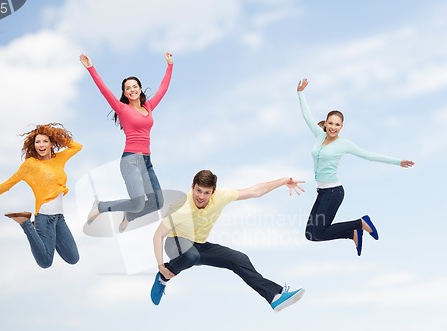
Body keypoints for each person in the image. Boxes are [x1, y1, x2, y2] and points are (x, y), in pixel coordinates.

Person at [151, 169, 306, 313]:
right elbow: (158, 236)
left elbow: (254, 191)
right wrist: (161, 266)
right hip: (175, 242)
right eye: (198, 190)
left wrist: (283, 181)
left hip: (199, 245)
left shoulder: (221, 196)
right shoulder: (180, 206)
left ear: (213, 192)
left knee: (239, 259)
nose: (201, 196)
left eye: (207, 193)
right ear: (193, 186)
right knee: (191, 256)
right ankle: (163, 278)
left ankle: (274, 296)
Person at [297, 78, 415, 255]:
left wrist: (397, 162)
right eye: (330, 123)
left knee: (317, 233)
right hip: (322, 193)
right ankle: (352, 232)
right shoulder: (318, 136)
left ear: (341, 127)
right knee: (310, 235)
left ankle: (359, 223)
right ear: (326, 123)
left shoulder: (344, 144)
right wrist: (300, 93)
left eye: (337, 124)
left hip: (333, 192)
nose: (333, 127)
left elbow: (369, 156)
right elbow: (307, 116)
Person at [79, 52, 173, 232]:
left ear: (140, 88)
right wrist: (91, 68)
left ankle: (129, 216)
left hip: (147, 162)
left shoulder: (149, 107)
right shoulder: (122, 108)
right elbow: (104, 90)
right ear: (124, 92)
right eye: (127, 88)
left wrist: (170, 66)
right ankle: (101, 206)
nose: (132, 90)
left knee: (157, 202)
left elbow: (163, 88)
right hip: (131, 161)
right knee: (138, 203)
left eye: (134, 86)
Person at [0, 123, 81, 269]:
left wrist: (55, 134)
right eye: (37, 142)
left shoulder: (59, 159)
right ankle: (25, 223)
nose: (41, 145)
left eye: (45, 141)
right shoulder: (30, 165)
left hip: (59, 218)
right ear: (33, 145)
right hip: (44, 217)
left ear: (51, 143)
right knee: (45, 262)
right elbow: (8, 184)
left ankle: (41, 235)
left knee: (73, 258)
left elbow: (77, 147)